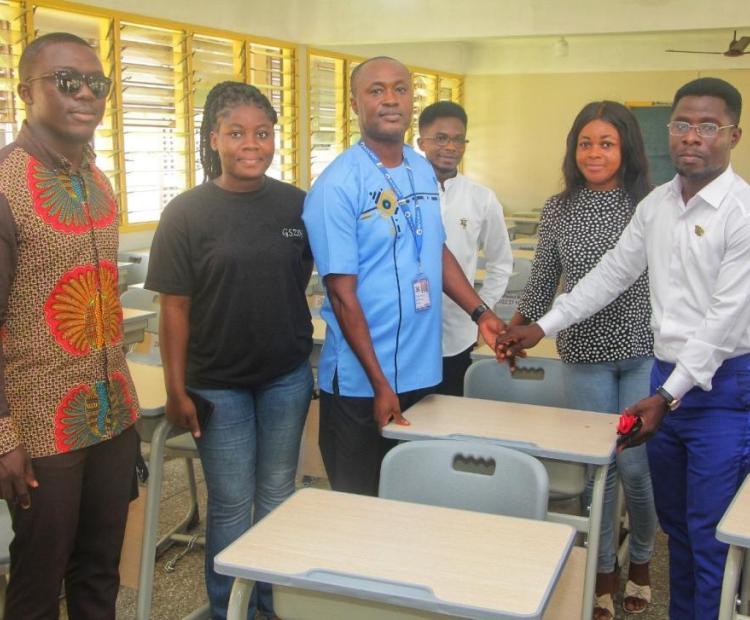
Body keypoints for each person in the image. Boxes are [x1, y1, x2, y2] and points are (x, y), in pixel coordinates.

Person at [498, 78, 750, 620]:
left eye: (709, 127)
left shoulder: (742, 212)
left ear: (733, 134)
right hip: (666, 378)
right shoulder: (658, 205)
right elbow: (610, 276)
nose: (692, 137)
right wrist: (543, 326)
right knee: (679, 530)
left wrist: (667, 395)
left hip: (721, 387)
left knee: (708, 533)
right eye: (682, 124)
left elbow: (723, 323)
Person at [146, 81, 314, 620]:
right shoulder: (187, 213)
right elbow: (174, 309)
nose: (251, 144)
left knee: (277, 493)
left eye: (262, 133)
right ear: (214, 138)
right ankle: (227, 610)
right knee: (232, 502)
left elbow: (299, 277)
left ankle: (271, 601)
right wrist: (176, 389)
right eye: (237, 132)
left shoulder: (296, 204)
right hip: (218, 383)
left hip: (286, 376)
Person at [303, 56, 506, 497]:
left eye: (400, 89)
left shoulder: (419, 168)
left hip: (421, 371)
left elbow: (433, 248)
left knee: (418, 500)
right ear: (355, 103)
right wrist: (380, 385)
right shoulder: (337, 185)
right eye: (376, 90)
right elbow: (341, 295)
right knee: (362, 506)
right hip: (362, 385)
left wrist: (480, 312)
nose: (390, 100)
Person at [0, 32, 141, 618]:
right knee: (39, 580)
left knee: (100, 569)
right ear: (24, 91)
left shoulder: (97, 179)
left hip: (111, 413)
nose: (86, 93)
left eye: (96, 83)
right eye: (66, 81)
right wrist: (4, 434)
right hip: (41, 424)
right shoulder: (6, 185)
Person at [509, 101, 657, 620]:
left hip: (643, 352)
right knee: (602, 469)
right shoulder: (558, 208)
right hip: (584, 353)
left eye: (607, 143)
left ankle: (640, 558)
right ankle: (602, 571)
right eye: (586, 143)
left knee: (637, 467)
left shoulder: (652, 204)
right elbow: (544, 276)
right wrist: (516, 327)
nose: (595, 153)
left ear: (627, 149)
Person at [417, 101, 513, 396]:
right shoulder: (403, 193)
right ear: (421, 142)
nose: (450, 146)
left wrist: (480, 309)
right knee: (407, 416)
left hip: (459, 331)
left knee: (448, 413)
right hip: (409, 331)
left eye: (459, 139)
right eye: (441, 138)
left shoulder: (481, 198)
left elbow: (501, 262)